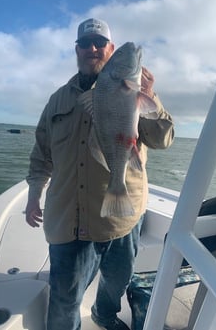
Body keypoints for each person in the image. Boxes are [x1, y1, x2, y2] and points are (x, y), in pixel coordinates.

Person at [25, 18, 174, 330]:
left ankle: (103, 314)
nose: (92, 48)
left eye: (99, 43)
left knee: (117, 282)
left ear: (111, 49)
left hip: (124, 218)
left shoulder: (134, 94)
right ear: (77, 50)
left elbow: (162, 139)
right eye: (85, 43)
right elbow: (42, 153)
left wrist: (149, 96)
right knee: (64, 303)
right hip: (69, 222)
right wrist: (34, 195)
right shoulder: (57, 100)